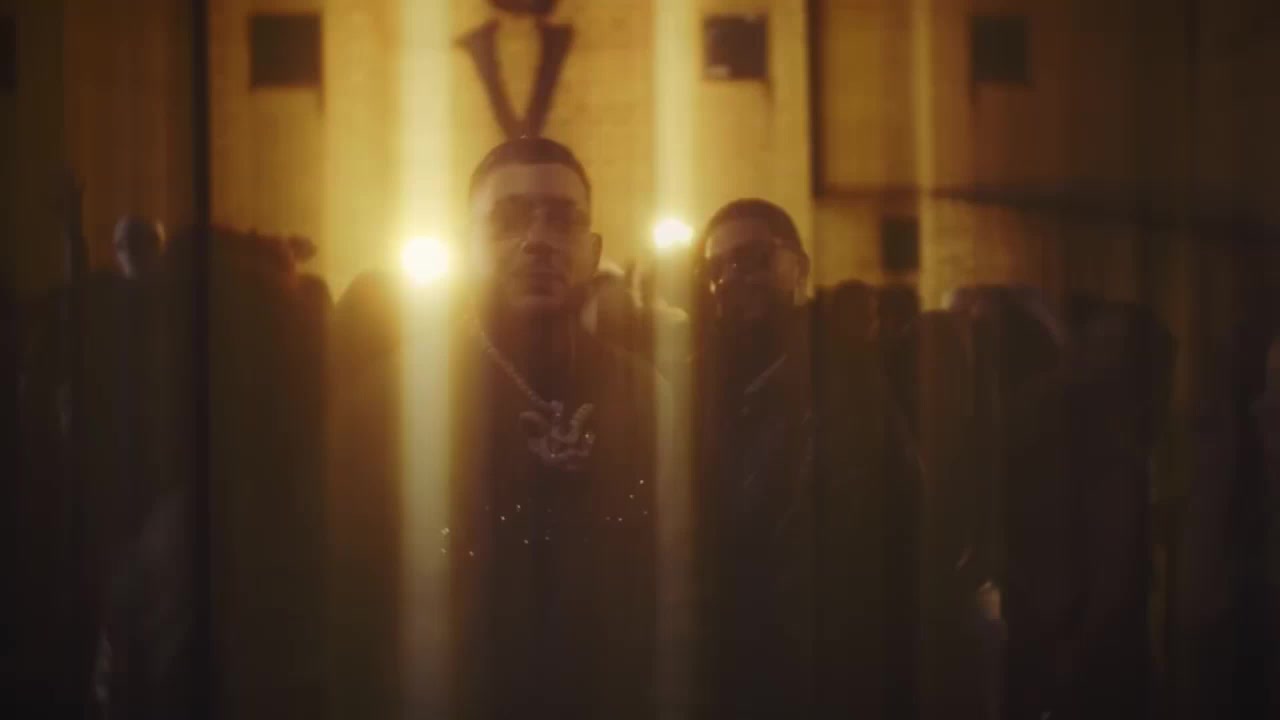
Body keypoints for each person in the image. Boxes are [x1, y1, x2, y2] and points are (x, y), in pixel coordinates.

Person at [328, 137, 667, 719]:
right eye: (508, 219)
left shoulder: (649, 397)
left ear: (592, 250)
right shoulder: (388, 403)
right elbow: (350, 613)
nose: (538, 240)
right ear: (467, 245)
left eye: (562, 220)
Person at [690, 199, 916, 718]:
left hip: (830, 666)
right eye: (717, 266)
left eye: (754, 258)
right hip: (724, 668)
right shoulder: (691, 386)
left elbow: (906, 533)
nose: (733, 277)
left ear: (800, 268)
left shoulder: (854, 380)